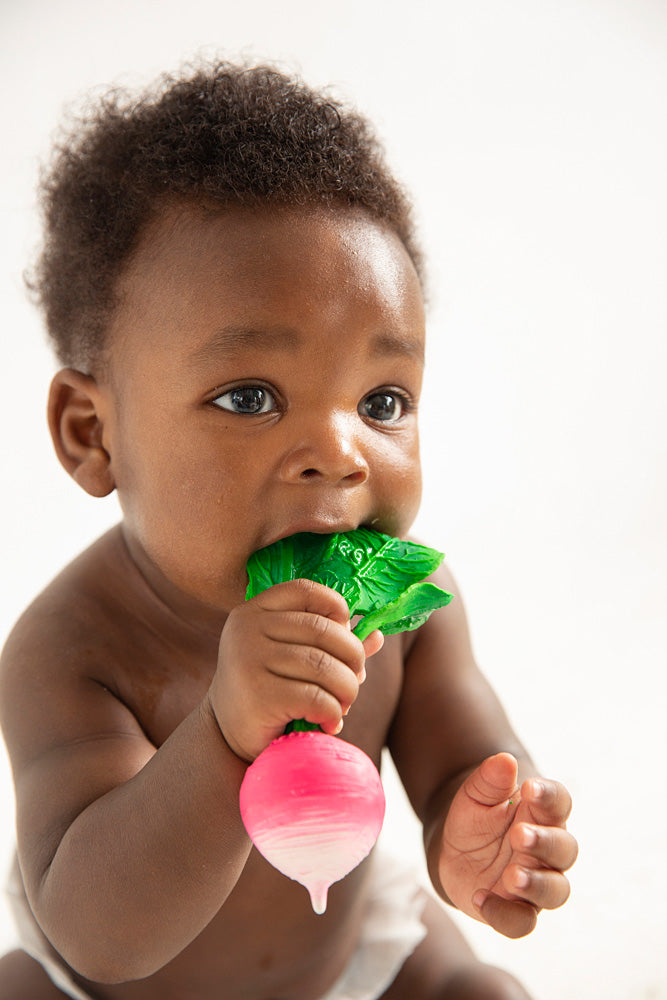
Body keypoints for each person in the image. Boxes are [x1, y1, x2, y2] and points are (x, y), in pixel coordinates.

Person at [0, 60, 577, 1000]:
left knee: (485, 994)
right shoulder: (72, 648)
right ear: (92, 433)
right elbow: (101, 934)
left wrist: (488, 831)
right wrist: (226, 731)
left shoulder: (402, 608)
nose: (339, 453)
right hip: (107, 991)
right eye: (249, 396)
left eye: (382, 400)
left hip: (347, 957)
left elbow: (464, 760)